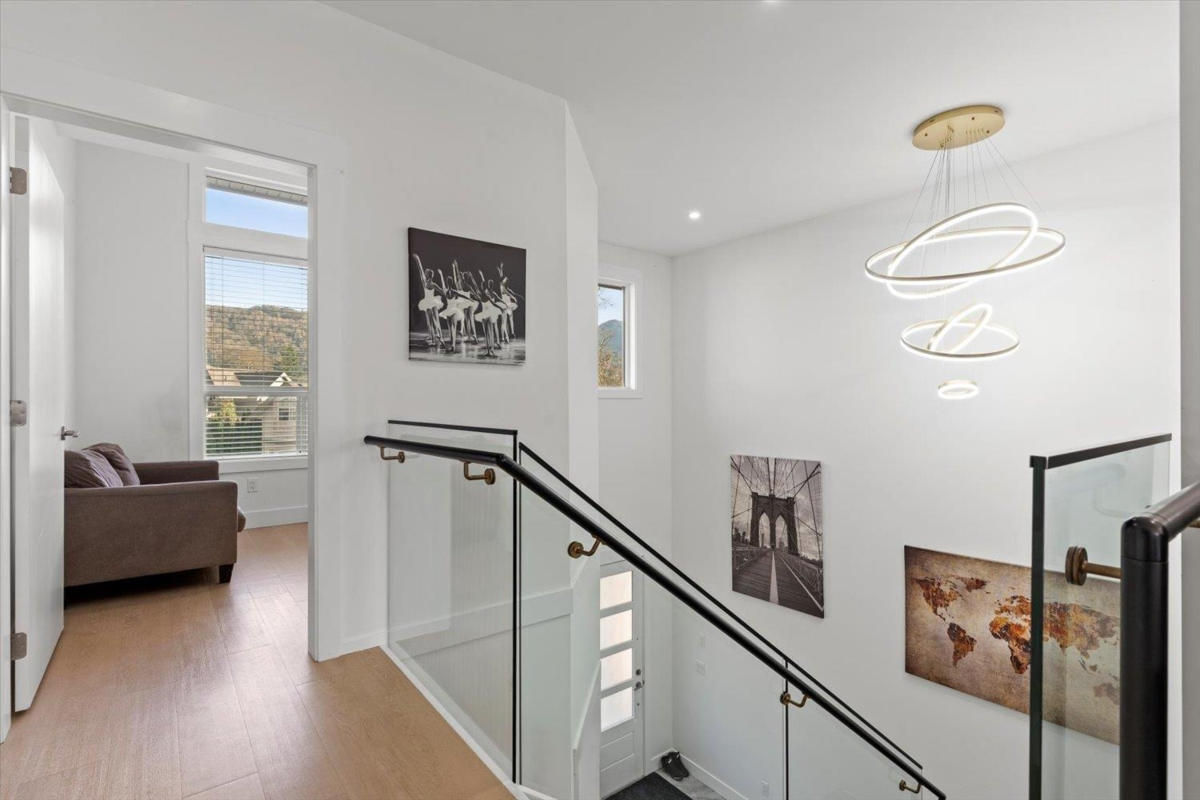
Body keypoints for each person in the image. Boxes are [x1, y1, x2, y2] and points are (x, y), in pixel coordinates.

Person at [412, 254, 444, 346]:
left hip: (427, 302)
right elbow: (442, 291)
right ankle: (438, 335)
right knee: (435, 320)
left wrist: (417, 259)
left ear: (427, 275)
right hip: (433, 301)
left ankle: (434, 340)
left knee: (430, 320)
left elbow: (420, 269)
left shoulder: (424, 282)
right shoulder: (433, 284)